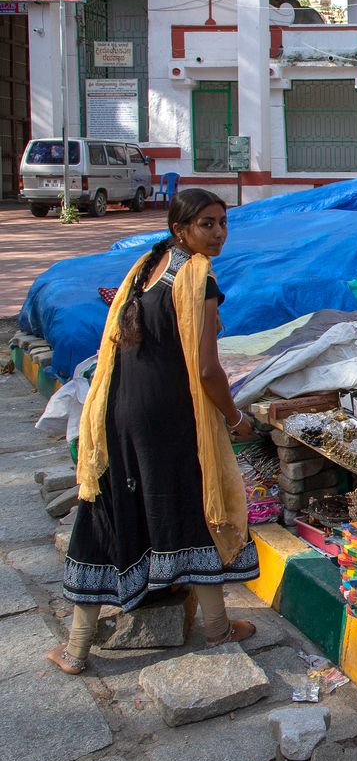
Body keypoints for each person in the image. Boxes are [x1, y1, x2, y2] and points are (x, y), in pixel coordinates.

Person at [49, 189, 261, 674]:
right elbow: (208, 371)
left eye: (224, 223)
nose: (219, 233)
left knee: (109, 508)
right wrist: (234, 419)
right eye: (207, 224)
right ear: (181, 228)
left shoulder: (147, 267)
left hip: (118, 409)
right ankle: (217, 628)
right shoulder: (197, 277)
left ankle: (78, 648)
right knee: (194, 504)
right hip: (169, 413)